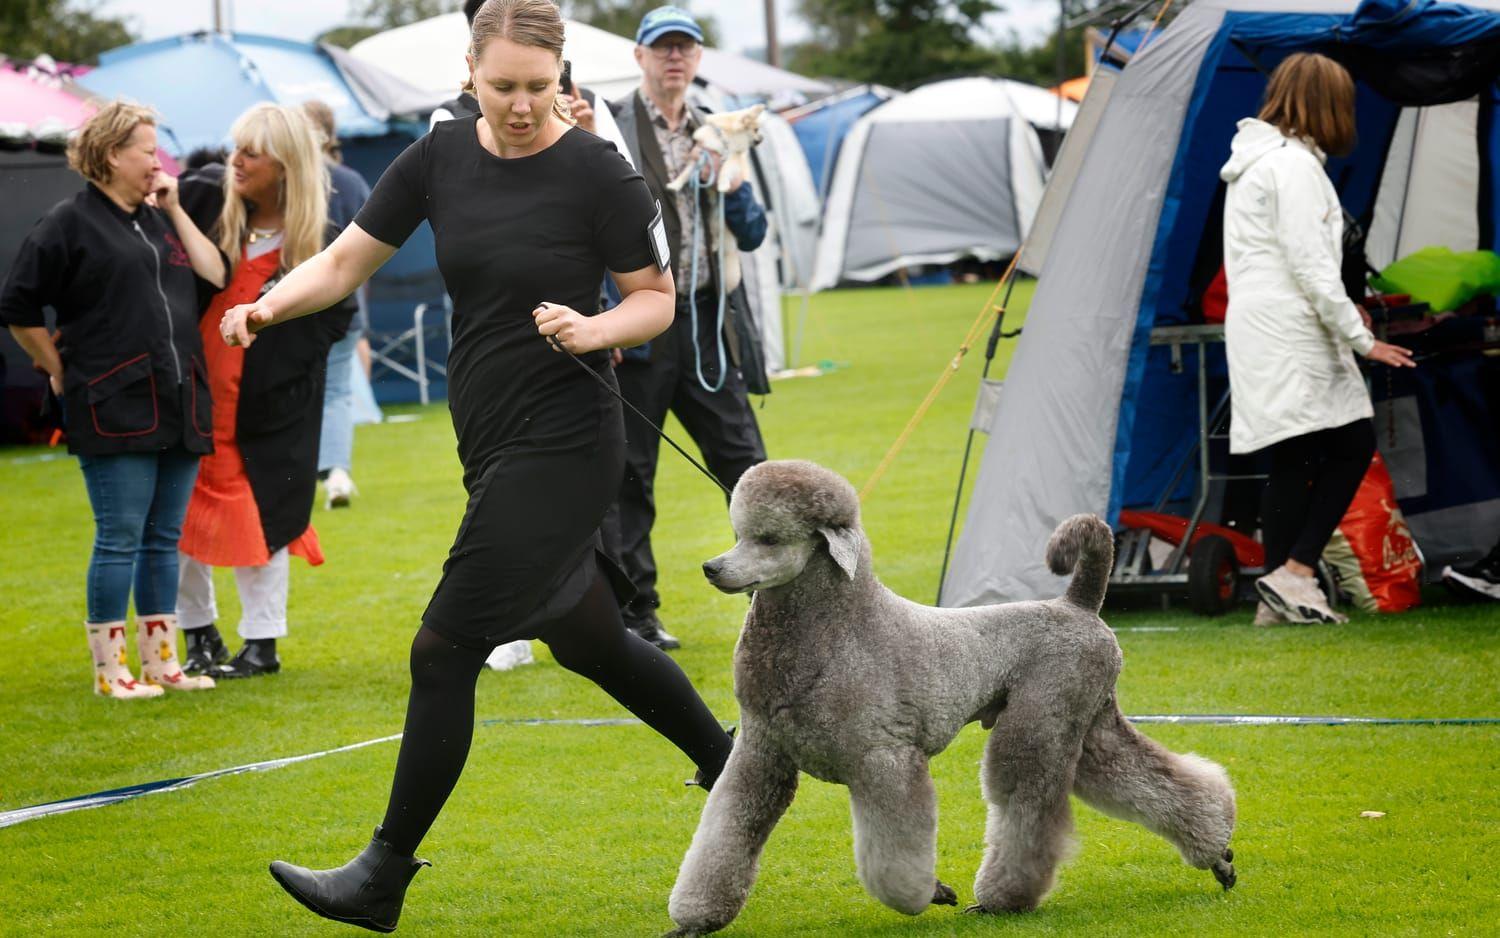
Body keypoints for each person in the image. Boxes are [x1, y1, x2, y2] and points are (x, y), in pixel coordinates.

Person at [226, 2, 733, 928]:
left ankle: (381, 876)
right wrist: (265, 306)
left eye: (540, 87)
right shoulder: (437, 158)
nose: (523, 105)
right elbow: (342, 265)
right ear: (471, 73)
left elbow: (654, 299)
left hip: (569, 441)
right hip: (490, 437)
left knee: (442, 648)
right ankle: (734, 764)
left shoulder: (598, 170)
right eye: (503, 86)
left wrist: (595, 328)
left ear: (563, 77)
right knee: (586, 639)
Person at [0, 100, 224, 698]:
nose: (158, 161)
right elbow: (17, 304)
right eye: (147, 151)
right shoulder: (68, 222)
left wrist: (174, 210)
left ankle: (162, 664)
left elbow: (216, 274)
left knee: (162, 538)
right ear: (109, 154)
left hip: (178, 401)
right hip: (111, 403)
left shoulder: (157, 218)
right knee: (120, 535)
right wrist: (56, 369)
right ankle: (110, 671)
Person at [1218, 53, 1416, 625]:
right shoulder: (1294, 168)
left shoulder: (1258, 163)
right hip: (1292, 329)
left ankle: (1279, 597)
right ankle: (1297, 571)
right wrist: (1362, 339)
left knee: (1294, 453)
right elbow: (1311, 268)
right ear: (1328, 105)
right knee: (1352, 443)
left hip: (1263, 326)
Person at [607, 5, 770, 650]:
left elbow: (753, 234)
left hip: (706, 321)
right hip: (640, 319)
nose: (675, 58)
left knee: (748, 466)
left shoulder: (722, 129)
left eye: (686, 48)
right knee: (627, 476)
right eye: (663, 47)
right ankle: (635, 615)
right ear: (640, 56)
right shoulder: (609, 124)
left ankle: (779, 598)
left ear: (698, 60)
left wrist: (730, 184)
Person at [174, 103, 354, 678]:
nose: (237, 161)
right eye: (235, 148)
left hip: (270, 410)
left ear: (285, 165)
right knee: (180, 519)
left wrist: (277, 364)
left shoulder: (319, 241)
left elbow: (336, 317)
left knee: (264, 517)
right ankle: (197, 633)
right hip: (194, 399)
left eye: (251, 152)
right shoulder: (209, 208)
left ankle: (261, 643)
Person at [303, 100, 373, 509]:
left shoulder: (286, 180)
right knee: (336, 393)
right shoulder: (350, 182)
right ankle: (337, 474)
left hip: (293, 305)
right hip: (345, 308)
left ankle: (309, 472)